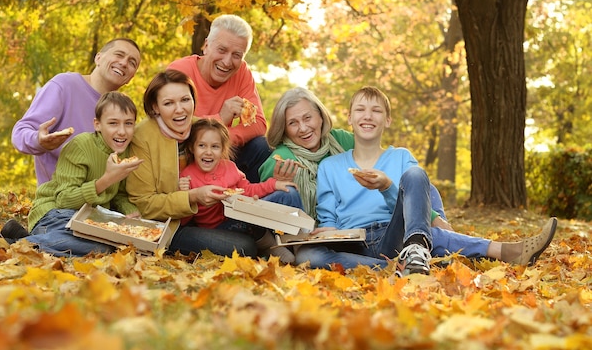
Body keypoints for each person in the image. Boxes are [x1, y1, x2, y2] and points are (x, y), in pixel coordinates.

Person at [295, 86, 558, 275]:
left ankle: (417, 250)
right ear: (349, 118)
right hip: (356, 243)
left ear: (387, 120)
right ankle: (402, 265)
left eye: (376, 110)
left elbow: (417, 198)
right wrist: (329, 231)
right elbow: (328, 218)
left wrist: (388, 187)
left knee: (416, 175)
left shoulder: (400, 157)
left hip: (395, 234)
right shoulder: (330, 166)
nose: (367, 115)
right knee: (310, 256)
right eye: (360, 109)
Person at [0, 92, 144, 256]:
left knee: (110, 242)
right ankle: (3, 245)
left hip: (88, 219)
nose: (122, 131)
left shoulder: (126, 153)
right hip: (55, 212)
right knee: (100, 246)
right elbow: (64, 199)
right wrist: (106, 180)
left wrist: (131, 212)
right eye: (113, 123)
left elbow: (118, 194)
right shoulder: (81, 146)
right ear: (97, 124)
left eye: (128, 123)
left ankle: (21, 236)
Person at [259, 87, 448, 223]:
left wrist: (433, 217)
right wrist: (275, 184)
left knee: (420, 182)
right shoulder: (281, 160)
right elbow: (267, 205)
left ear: (320, 116)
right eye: (293, 123)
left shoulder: (340, 140)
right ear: (284, 128)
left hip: (369, 214)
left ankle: (440, 229)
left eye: (308, 118)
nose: (303, 128)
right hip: (318, 226)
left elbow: (383, 157)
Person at [125, 70, 261, 257]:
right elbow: (144, 204)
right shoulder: (143, 137)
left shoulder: (200, 128)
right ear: (155, 107)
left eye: (185, 100)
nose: (180, 109)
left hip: (213, 216)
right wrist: (191, 197)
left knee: (260, 147)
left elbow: (220, 167)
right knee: (245, 247)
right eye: (168, 103)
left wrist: (238, 180)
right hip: (170, 225)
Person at [12, 38, 141, 186]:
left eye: (132, 63)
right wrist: (39, 140)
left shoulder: (123, 111)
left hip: (102, 201)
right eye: (119, 54)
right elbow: (20, 133)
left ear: (131, 77)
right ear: (98, 57)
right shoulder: (64, 85)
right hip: (60, 200)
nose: (124, 63)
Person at [167, 14, 271, 183]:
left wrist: (221, 139)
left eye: (237, 55)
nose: (227, 62)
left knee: (262, 147)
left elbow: (258, 123)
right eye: (221, 50)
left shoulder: (242, 72)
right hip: (184, 155)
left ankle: (248, 201)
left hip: (219, 155)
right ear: (206, 46)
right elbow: (170, 126)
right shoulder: (179, 72)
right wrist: (220, 119)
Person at [179, 118, 299, 263]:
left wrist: (273, 184)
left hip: (239, 215)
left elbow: (247, 190)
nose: (208, 152)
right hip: (217, 229)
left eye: (215, 146)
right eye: (202, 146)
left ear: (223, 149)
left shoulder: (229, 167)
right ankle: (269, 247)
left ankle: (283, 246)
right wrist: (185, 195)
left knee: (266, 204)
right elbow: (184, 220)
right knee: (246, 224)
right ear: (192, 148)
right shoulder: (188, 176)